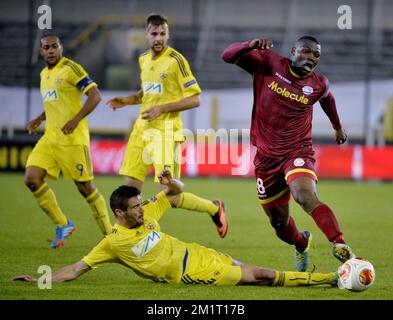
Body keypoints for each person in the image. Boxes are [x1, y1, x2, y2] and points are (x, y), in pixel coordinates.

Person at [14, 170, 338, 288]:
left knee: (251, 271)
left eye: (142, 203)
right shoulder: (113, 243)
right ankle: (330, 279)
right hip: (191, 274)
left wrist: (173, 183)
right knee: (262, 276)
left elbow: (176, 193)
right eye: (135, 207)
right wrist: (40, 279)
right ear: (119, 213)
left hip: (198, 252)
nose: (143, 208)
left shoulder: (147, 212)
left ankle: (320, 273)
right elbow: (75, 269)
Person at [221, 36, 356, 271]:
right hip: (266, 158)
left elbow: (327, 99)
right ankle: (301, 243)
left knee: (304, 196)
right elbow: (227, 55)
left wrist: (337, 127)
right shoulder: (268, 63)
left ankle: (340, 244)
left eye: (316, 55)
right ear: (293, 51)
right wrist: (248, 46)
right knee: (279, 224)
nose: (311, 58)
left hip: (297, 151)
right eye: (306, 51)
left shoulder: (318, 83)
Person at [106, 13, 228, 238]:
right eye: (154, 34)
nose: (158, 38)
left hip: (166, 133)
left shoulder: (176, 61)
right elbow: (148, 94)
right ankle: (138, 235)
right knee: (131, 190)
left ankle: (214, 208)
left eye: (163, 33)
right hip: (141, 131)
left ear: (168, 35)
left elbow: (195, 99)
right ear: (146, 35)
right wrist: (125, 101)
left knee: (167, 196)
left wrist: (162, 109)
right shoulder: (143, 59)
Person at [24, 34, 112, 248]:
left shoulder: (71, 69)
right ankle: (63, 224)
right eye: (47, 47)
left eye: (55, 46)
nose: (51, 50)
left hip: (72, 139)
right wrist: (39, 118)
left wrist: (76, 119)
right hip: (49, 138)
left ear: (61, 48)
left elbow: (95, 96)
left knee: (85, 188)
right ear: (41, 51)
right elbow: (54, 103)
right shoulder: (44, 74)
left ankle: (111, 235)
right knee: (32, 178)